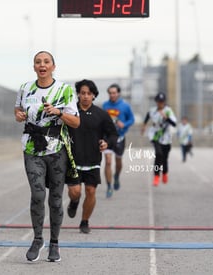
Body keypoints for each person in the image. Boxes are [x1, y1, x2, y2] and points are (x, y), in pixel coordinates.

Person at [14, 51, 80, 262]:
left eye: (46, 62)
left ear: (53, 66)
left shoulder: (65, 90)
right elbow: (17, 111)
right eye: (38, 62)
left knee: (55, 199)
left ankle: (54, 243)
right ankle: (37, 238)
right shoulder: (25, 88)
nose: (42, 65)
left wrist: (58, 113)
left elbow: (76, 122)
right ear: (34, 67)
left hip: (56, 150)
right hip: (32, 149)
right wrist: (19, 115)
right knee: (37, 195)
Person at [66, 79, 117, 234]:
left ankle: (84, 221)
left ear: (94, 95)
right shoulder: (70, 112)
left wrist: (107, 143)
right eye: (83, 93)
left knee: (91, 191)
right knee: (75, 192)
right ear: (78, 94)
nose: (86, 96)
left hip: (93, 160)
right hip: (73, 160)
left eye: (89, 93)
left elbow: (113, 134)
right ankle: (74, 202)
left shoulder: (101, 115)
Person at [102, 84, 135, 198]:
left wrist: (124, 124)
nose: (112, 95)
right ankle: (109, 186)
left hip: (120, 137)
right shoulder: (105, 105)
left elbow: (132, 119)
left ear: (118, 93)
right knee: (108, 162)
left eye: (114, 93)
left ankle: (116, 176)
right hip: (107, 137)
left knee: (118, 162)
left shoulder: (125, 106)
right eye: (110, 93)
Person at [141, 92, 177, 186]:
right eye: (158, 101)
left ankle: (164, 172)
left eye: (161, 102)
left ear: (164, 102)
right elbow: (148, 116)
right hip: (155, 135)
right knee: (158, 154)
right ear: (156, 102)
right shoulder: (153, 110)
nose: (160, 103)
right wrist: (144, 126)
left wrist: (166, 117)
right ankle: (156, 176)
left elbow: (174, 123)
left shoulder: (168, 111)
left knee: (164, 158)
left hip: (166, 137)